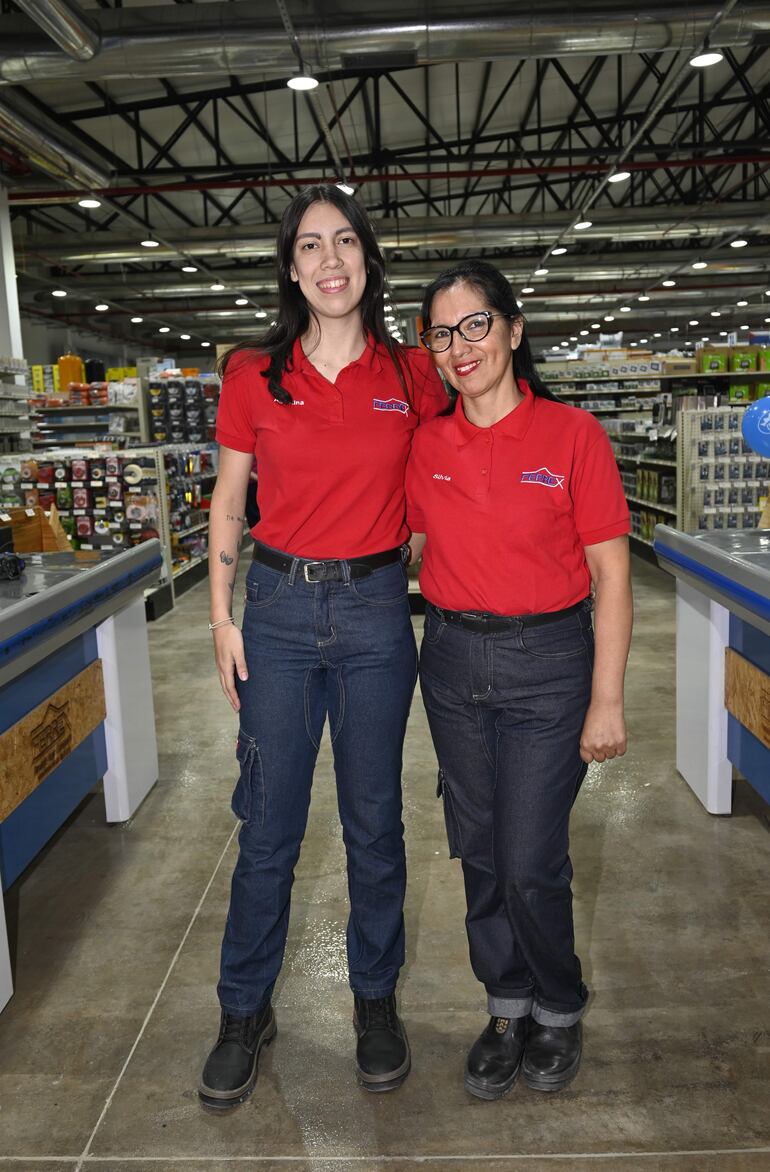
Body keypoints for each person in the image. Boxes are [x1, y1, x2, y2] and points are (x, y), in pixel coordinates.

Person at [199, 185, 447, 1109]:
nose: (330, 259)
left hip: (378, 614)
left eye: (345, 241)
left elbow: (472, 452)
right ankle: (243, 1009)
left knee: (374, 822)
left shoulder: (413, 375)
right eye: (310, 245)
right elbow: (229, 501)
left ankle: (374, 1000)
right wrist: (221, 618)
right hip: (275, 613)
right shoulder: (252, 374)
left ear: (368, 260)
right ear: (291, 267)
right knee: (268, 824)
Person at [406, 260, 632, 1101]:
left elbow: (613, 577)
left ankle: (559, 1005)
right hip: (451, 662)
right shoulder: (427, 445)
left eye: (476, 325)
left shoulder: (573, 436)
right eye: (442, 333)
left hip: (550, 666)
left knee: (531, 857)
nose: (461, 346)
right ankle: (506, 1006)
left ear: (513, 329)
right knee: (480, 850)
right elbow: (403, 538)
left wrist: (606, 698)